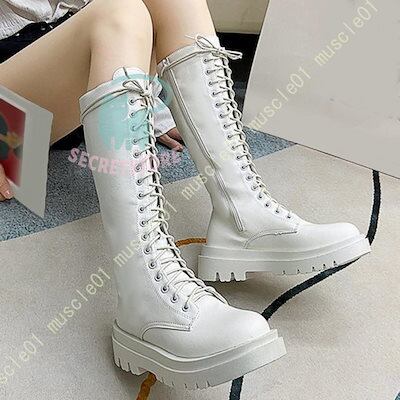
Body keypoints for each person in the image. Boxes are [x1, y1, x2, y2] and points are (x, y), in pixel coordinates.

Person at [0, 0, 371, 389]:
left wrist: (152, 108)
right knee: (118, 16)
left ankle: (242, 213)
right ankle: (145, 301)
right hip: (12, 109)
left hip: (66, 58)